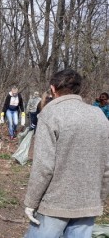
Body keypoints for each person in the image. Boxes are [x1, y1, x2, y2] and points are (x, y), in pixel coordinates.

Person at [23, 69, 109, 238]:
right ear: (78, 89)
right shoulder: (98, 115)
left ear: (53, 89)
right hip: (88, 202)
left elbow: (43, 167)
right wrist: (100, 197)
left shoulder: (50, 114)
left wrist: (31, 202)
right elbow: (106, 164)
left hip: (55, 203)